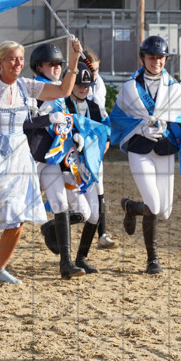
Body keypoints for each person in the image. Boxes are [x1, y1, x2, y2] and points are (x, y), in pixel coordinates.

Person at [0, 41, 77, 283]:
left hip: (19, 156)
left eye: (21, 58)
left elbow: (62, 91)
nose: (18, 63)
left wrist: (73, 59)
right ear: (0, 62)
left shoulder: (26, 86)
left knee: (17, 216)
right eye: (12, 59)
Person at [110, 36, 181, 274]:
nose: (156, 62)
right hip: (139, 149)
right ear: (143, 57)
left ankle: (133, 207)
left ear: (166, 59)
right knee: (154, 204)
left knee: (164, 211)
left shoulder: (174, 88)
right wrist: (139, 127)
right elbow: (118, 119)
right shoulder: (129, 87)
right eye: (152, 57)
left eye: (161, 58)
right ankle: (152, 259)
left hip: (165, 149)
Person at [35, 64, 110, 274]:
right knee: (81, 211)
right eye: (79, 85)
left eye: (87, 86)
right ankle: (65, 254)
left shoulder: (95, 107)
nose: (83, 89)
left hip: (90, 168)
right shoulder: (62, 102)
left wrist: (94, 145)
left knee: (94, 215)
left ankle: (81, 257)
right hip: (67, 166)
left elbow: (105, 134)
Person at [23, 43, 88, 279]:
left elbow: (66, 122)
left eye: (59, 64)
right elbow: (23, 124)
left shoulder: (61, 93)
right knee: (9, 209)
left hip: (51, 160)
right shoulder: (31, 89)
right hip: (28, 159)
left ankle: (66, 264)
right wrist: (47, 118)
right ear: (39, 66)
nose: (57, 68)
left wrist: (75, 136)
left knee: (61, 204)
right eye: (51, 64)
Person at [75, 43, 117, 250]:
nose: (95, 74)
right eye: (91, 69)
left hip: (94, 142)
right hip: (76, 146)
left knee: (99, 188)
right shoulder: (76, 87)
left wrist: (105, 139)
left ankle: (102, 233)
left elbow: (101, 115)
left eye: (97, 70)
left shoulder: (97, 84)